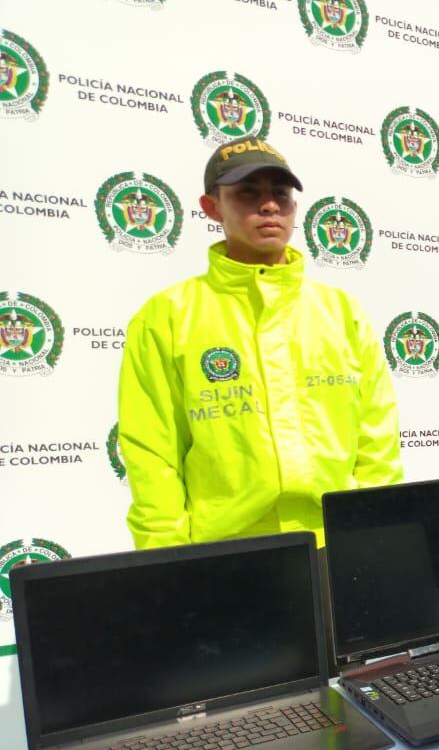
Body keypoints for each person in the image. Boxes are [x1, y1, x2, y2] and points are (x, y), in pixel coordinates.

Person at [118, 136, 402, 549]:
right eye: (248, 194)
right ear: (211, 207)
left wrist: (378, 530)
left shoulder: (341, 311)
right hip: (229, 552)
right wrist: (168, 560)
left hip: (338, 545)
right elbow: (152, 453)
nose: (269, 206)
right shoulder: (167, 316)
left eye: (280, 194)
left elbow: (378, 439)